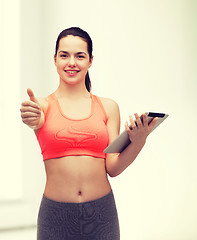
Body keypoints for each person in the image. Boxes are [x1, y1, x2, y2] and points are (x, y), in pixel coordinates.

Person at [20, 27, 157, 240]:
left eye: (79, 56)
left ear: (90, 61)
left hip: (101, 214)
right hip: (56, 215)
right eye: (64, 55)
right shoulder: (42, 107)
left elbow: (112, 167)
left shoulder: (108, 107)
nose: (71, 62)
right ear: (54, 59)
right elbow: (34, 119)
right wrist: (33, 120)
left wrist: (139, 140)